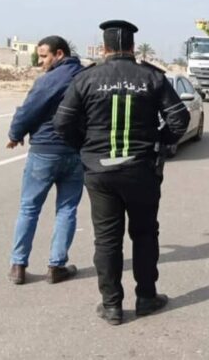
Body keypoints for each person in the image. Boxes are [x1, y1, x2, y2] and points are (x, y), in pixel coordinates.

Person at [54, 20, 190, 326]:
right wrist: (158, 143)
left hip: (99, 172)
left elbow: (62, 124)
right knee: (144, 235)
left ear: (104, 48)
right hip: (141, 170)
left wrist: (86, 149)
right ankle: (146, 298)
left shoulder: (86, 79)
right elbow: (179, 120)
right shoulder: (152, 77)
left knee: (106, 240)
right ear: (132, 47)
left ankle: (112, 305)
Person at [7, 36, 84, 285]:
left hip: (45, 151)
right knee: (67, 209)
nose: (40, 62)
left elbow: (29, 109)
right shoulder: (85, 77)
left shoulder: (50, 80)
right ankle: (56, 266)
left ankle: (18, 266)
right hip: (75, 152)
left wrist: (15, 134)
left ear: (59, 54)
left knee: (29, 208)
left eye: (43, 56)